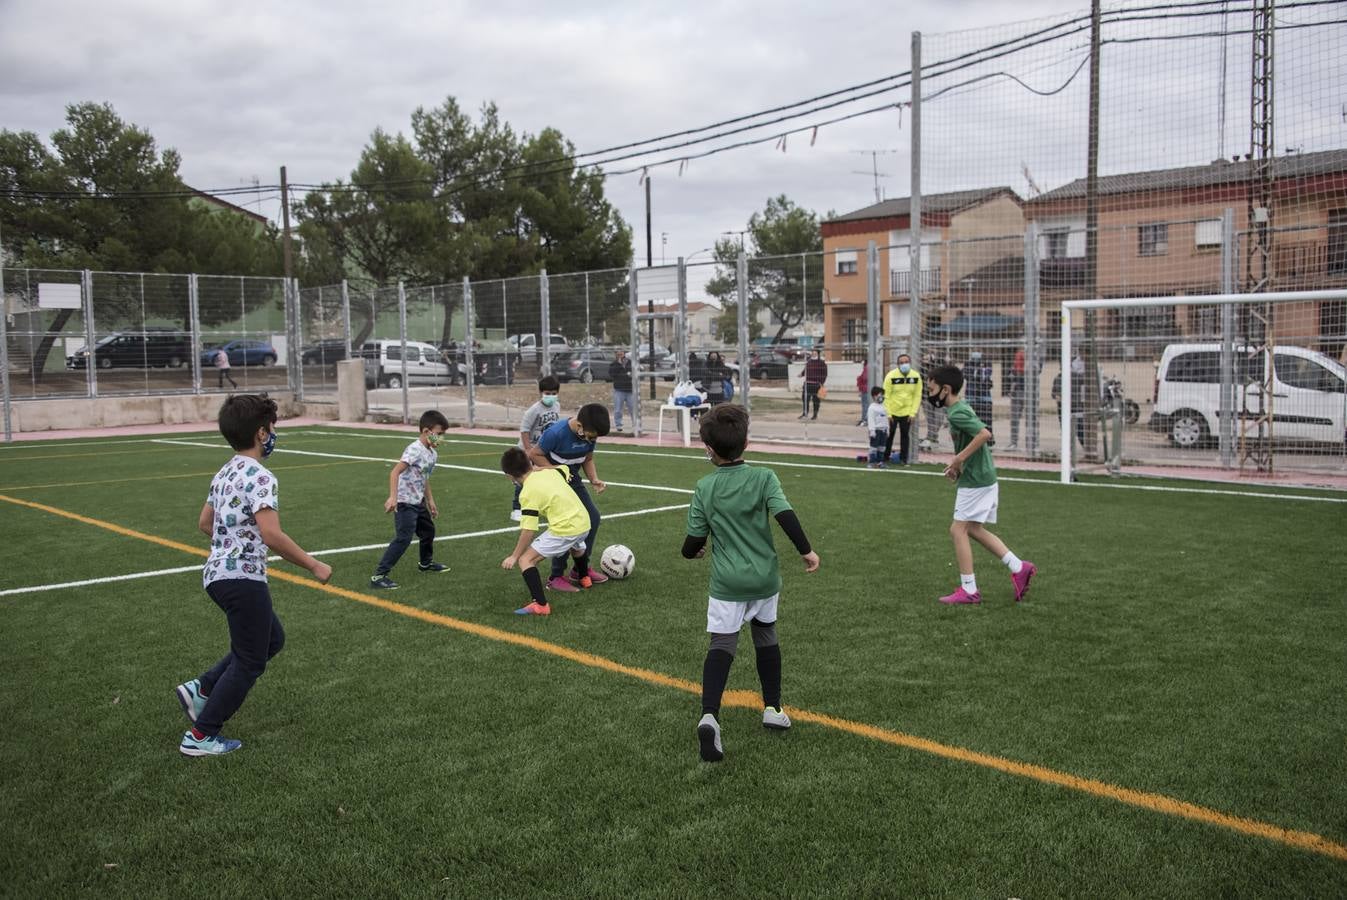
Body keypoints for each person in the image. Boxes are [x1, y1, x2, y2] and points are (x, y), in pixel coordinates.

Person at [175, 394, 332, 757]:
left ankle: (202, 689)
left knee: (270, 639)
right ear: (262, 433)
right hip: (242, 579)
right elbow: (271, 534)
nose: (274, 434)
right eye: (273, 428)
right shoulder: (261, 475)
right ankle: (202, 735)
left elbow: (204, 523)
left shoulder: (225, 471)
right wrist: (313, 564)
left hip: (216, 575)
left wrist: (229, 543)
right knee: (250, 660)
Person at [682, 404, 819, 763]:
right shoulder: (765, 477)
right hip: (764, 579)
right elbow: (785, 515)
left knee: (722, 645)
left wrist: (693, 553)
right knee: (766, 637)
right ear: (747, 442)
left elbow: (692, 543)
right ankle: (772, 709)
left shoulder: (705, 486)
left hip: (728, 583)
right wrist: (806, 550)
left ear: (708, 449)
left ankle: (710, 716)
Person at [925, 365, 1036, 606]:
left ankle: (969, 589)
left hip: (977, 481)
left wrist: (958, 459)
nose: (929, 394)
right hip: (980, 477)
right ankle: (1019, 567)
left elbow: (984, 435)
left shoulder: (956, 412)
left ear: (945, 389)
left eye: (931, 389)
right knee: (973, 529)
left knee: (957, 530)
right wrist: (957, 468)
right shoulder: (959, 409)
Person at [499, 447, 594, 616]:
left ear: (509, 476)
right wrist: (539, 469)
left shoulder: (526, 492)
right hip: (584, 522)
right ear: (530, 463)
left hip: (566, 528)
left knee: (526, 560)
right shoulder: (550, 473)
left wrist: (514, 556)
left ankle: (541, 605)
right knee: (577, 547)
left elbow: (528, 531)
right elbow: (563, 468)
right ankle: (585, 578)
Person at [529, 404, 611, 591]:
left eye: (595, 438)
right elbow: (534, 454)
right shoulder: (556, 433)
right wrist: (556, 471)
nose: (592, 440)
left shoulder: (590, 434)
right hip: (554, 484)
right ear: (579, 425)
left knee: (592, 518)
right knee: (567, 524)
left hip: (572, 481)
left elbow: (588, 459)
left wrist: (594, 480)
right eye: (591, 436)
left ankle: (580, 569)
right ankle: (556, 576)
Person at [369, 410, 451, 589]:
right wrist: (393, 497)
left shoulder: (432, 454)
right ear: (426, 431)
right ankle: (379, 576)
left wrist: (430, 501)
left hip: (418, 501)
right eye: (439, 434)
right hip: (405, 502)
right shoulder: (414, 449)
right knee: (403, 538)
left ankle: (425, 563)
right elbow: (395, 472)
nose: (441, 438)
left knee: (428, 531)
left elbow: (424, 478)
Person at [512, 376, 562, 522]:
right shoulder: (533, 410)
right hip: (528, 449)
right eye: (547, 393)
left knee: (544, 475)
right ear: (541, 392)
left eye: (554, 393)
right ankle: (516, 508)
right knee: (523, 477)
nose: (551, 396)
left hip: (542, 449)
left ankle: (541, 504)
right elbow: (524, 430)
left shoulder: (557, 406)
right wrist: (528, 449)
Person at [881, 353, 922, 465]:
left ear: (910, 363)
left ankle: (904, 459)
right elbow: (886, 396)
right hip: (892, 412)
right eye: (901, 362)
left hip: (907, 413)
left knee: (905, 436)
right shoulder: (891, 376)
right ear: (898, 364)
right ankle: (885, 457)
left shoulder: (916, 376)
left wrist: (913, 413)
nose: (904, 364)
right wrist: (888, 414)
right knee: (889, 435)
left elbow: (917, 396)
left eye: (906, 362)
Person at [963, 351, 995, 446]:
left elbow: (986, 375)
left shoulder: (986, 367)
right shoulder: (968, 367)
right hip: (971, 398)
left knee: (986, 420)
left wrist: (981, 368)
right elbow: (968, 375)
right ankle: (972, 440)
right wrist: (973, 368)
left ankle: (988, 440)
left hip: (985, 398)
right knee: (972, 421)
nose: (976, 362)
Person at [919, 353, 948, 451]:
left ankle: (932, 437)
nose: (926, 359)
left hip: (938, 397)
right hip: (925, 397)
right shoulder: (921, 369)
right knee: (930, 419)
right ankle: (931, 438)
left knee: (939, 418)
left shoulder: (939, 369)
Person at [608, 350, 635, 431]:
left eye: (621, 353)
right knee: (618, 409)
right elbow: (612, 374)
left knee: (633, 408)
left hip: (630, 390)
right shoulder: (613, 364)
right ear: (616, 354)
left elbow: (635, 372)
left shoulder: (630, 362)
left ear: (624, 353)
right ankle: (618, 425)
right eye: (618, 353)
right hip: (619, 390)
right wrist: (619, 364)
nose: (620, 354)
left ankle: (635, 424)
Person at [1007, 348, 1026, 451]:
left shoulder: (1033, 361)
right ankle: (1014, 442)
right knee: (1015, 418)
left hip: (1029, 391)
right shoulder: (1015, 369)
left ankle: (1031, 444)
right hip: (1018, 391)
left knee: (1030, 418)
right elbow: (1012, 376)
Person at [800, 348, 828, 419]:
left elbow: (824, 374)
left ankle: (815, 414)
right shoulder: (809, 362)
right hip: (807, 384)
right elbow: (805, 370)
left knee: (816, 400)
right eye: (812, 352)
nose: (813, 353)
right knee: (805, 399)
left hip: (816, 384)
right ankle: (805, 413)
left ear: (818, 354)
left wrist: (821, 382)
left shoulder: (821, 363)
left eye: (815, 352)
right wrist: (801, 374)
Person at [865, 386, 889, 468]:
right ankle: (872, 462)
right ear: (874, 396)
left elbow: (886, 419)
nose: (882, 397)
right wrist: (872, 431)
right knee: (874, 447)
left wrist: (887, 429)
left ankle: (880, 462)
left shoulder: (884, 406)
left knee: (882, 447)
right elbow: (871, 420)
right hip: (876, 431)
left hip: (883, 430)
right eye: (880, 395)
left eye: (883, 395)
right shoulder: (872, 408)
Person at [855, 359, 870, 426]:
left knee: (865, 405)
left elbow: (865, 378)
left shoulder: (866, 368)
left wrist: (859, 378)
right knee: (866, 405)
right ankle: (865, 419)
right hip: (866, 389)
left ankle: (864, 419)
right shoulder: (869, 367)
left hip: (865, 389)